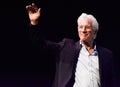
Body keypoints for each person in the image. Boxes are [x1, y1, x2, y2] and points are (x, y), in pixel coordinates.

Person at [25, 3, 116, 87]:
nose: (83, 30)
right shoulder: (66, 47)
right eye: (80, 27)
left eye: (87, 27)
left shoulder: (106, 55)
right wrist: (34, 23)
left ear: (95, 32)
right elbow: (41, 44)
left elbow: (111, 82)